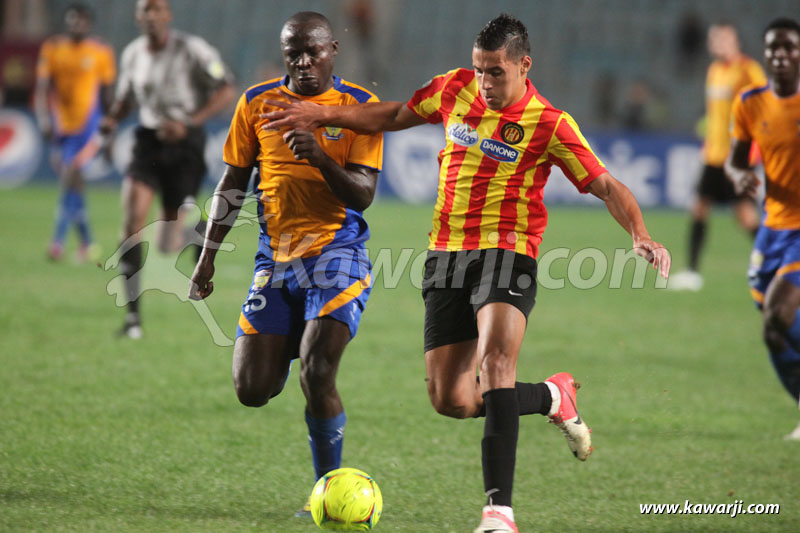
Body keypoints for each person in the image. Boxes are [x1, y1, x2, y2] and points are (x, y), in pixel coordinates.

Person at [263, 13, 670, 533]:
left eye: (495, 72)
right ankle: (551, 396)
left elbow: (608, 186)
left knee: (496, 362)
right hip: (445, 257)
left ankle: (499, 513)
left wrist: (639, 233)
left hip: (508, 253)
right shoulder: (454, 88)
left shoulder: (550, 124)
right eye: (480, 70)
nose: (485, 83)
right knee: (451, 399)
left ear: (524, 65)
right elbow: (391, 115)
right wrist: (323, 116)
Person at [187, 12, 383, 518]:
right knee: (252, 389)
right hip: (274, 261)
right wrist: (206, 256)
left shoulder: (359, 108)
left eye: (312, 51)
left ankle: (328, 492)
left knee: (318, 373)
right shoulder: (256, 102)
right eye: (292, 52)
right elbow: (232, 184)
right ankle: (302, 333)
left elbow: (363, 195)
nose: (302, 62)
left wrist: (319, 155)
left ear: (333, 50)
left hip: (338, 256)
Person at [100, 0, 235, 339]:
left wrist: (190, 122)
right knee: (131, 223)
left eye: (157, 9)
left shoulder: (193, 50)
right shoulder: (132, 54)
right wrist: (113, 119)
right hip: (148, 143)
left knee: (164, 245)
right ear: (138, 17)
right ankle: (132, 319)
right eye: (145, 10)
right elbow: (127, 97)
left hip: (185, 146)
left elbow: (226, 88)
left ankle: (194, 234)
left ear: (168, 15)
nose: (151, 16)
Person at [727, 17, 800, 441]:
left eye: (789, 47)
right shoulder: (751, 101)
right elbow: (737, 159)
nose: (781, 55)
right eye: (774, 47)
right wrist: (739, 177)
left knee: (780, 311)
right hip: (774, 225)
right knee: (772, 330)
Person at [670, 24, 766, 291]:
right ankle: (691, 272)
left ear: (735, 40)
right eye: (714, 38)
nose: (717, 42)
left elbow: (762, 111)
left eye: (723, 37)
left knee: (745, 216)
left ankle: (779, 263)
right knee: (699, 207)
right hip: (714, 155)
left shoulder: (749, 70)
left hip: (738, 157)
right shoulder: (714, 71)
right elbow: (716, 115)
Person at [34, 3, 115, 262]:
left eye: (81, 21)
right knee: (74, 186)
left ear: (88, 24)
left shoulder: (101, 51)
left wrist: (109, 130)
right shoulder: (53, 48)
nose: (76, 25)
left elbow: (107, 94)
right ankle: (87, 243)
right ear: (66, 23)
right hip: (62, 128)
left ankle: (57, 242)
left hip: (89, 127)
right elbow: (42, 88)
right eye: (72, 21)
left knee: (70, 177)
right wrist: (44, 117)